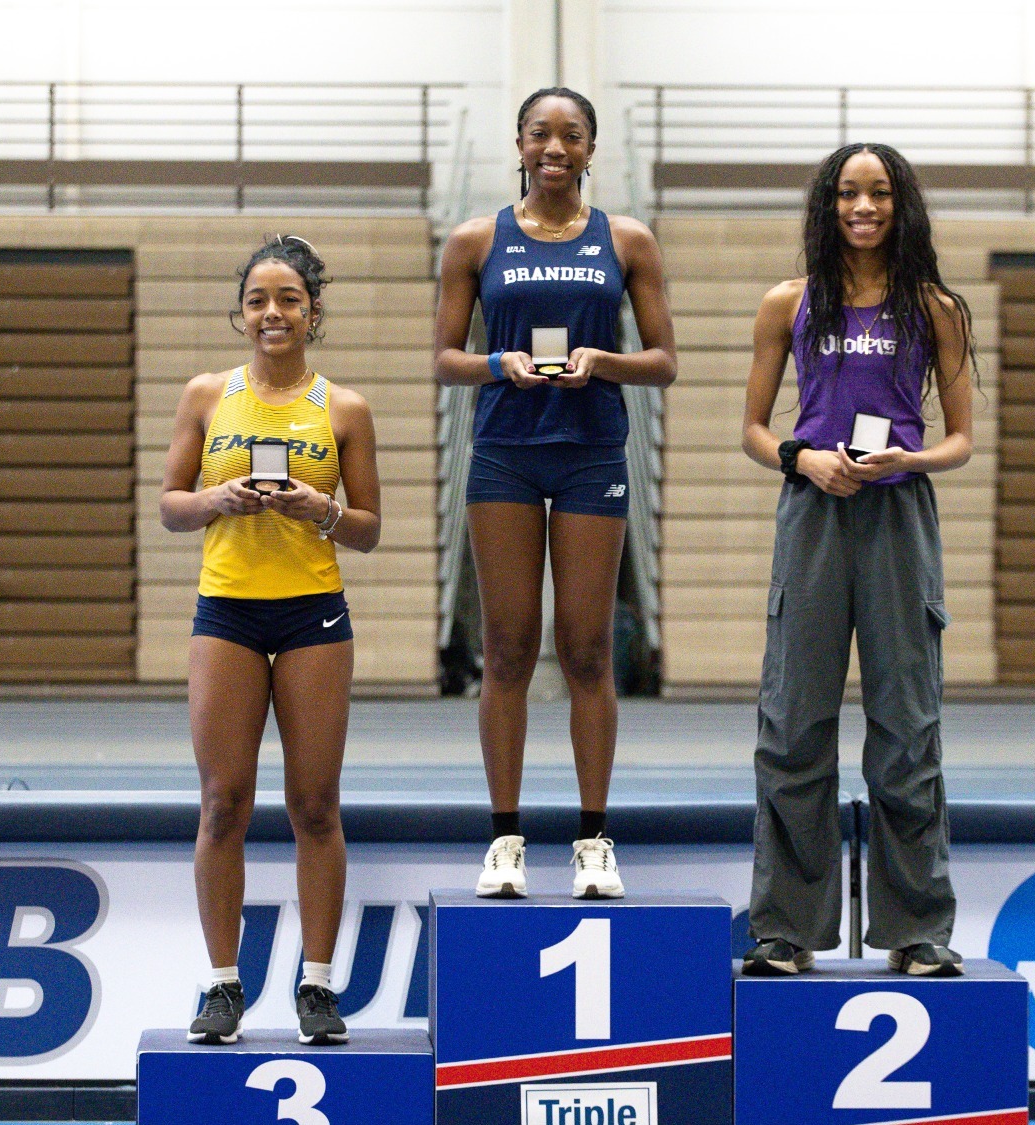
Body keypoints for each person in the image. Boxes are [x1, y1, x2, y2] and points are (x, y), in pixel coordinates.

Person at [737, 143, 977, 977]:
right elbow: (755, 430)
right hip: (812, 512)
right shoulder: (788, 303)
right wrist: (802, 457)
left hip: (898, 515)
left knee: (906, 728)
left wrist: (908, 461)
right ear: (828, 205)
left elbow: (962, 439)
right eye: (848, 193)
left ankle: (918, 926)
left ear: (900, 204)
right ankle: (786, 928)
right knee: (793, 724)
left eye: (878, 193)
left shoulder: (935, 308)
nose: (863, 207)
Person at [433, 87, 677, 900]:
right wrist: (495, 362)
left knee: (585, 649)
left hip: (589, 451)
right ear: (520, 142)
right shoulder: (476, 240)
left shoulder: (626, 239)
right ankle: (505, 839)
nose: (555, 147)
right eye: (542, 133)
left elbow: (663, 359)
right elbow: (445, 357)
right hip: (505, 450)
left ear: (590, 149)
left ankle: (592, 839)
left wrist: (602, 361)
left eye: (572, 134)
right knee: (505, 647)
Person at [160, 236, 382, 1043]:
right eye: (259, 298)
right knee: (223, 802)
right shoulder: (205, 395)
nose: (273, 312)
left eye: (289, 299)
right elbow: (169, 505)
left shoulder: (343, 408)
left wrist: (314, 509)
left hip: (313, 616)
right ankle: (223, 984)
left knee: (314, 804)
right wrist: (218, 497)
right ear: (241, 312)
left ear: (312, 313)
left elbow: (367, 528)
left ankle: (317, 986)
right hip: (228, 614)